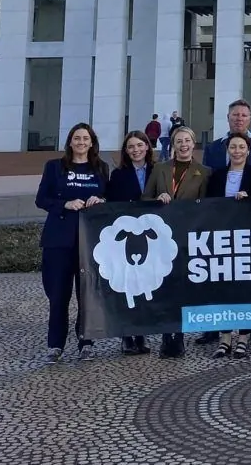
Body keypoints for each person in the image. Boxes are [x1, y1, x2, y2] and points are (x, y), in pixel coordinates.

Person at [34, 123, 109, 363]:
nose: (81, 142)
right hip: (59, 239)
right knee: (58, 295)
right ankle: (55, 345)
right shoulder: (54, 167)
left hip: (89, 241)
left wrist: (102, 199)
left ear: (92, 142)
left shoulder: (101, 168)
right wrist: (64, 204)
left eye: (85, 138)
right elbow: (41, 199)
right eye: (77, 138)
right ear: (70, 142)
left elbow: (110, 197)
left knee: (86, 295)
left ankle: (86, 342)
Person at [144, 124, 210, 358]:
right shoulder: (160, 169)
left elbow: (206, 208)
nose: (183, 145)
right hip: (161, 238)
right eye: (179, 141)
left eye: (187, 141)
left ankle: (179, 337)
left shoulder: (204, 172)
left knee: (182, 288)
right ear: (173, 145)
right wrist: (156, 198)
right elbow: (145, 198)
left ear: (194, 144)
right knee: (164, 287)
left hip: (187, 238)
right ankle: (166, 336)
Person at [205, 132, 251, 359]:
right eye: (233, 147)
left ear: (248, 149)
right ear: (227, 150)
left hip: (249, 238)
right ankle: (225, 338)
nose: (237, 151)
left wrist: (250, 197)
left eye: (241, 147)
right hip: (223, 238)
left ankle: (243, 337)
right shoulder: (217, 176)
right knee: (223, 287)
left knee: (246, 287)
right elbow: (208, 204)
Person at [106, 129, 157, 356]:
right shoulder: (118, 175)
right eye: (131, 147)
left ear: (147, 147)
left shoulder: (158, 170)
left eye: (140, 145)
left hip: (149, 241)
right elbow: (112, 204)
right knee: (127, 285)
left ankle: (142, 333)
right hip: (127, 242)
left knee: (145, 284)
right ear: (126, 151)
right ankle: (127, 335)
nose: (136, 150)